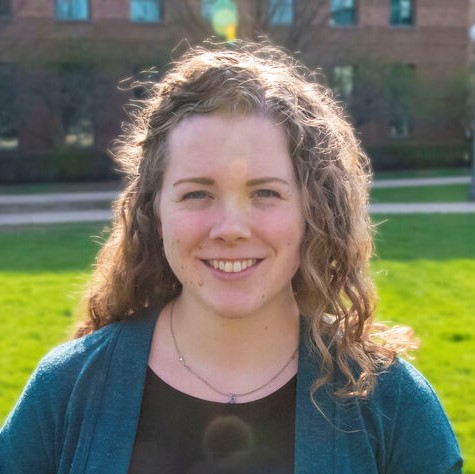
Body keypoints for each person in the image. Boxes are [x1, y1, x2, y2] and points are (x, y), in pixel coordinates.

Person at [0, 41, 463, 473]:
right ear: (154, 210)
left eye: (265, 192)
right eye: (197, 193)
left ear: (314, 211)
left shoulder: (391, 404)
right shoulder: (65, 390)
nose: (230, 229)